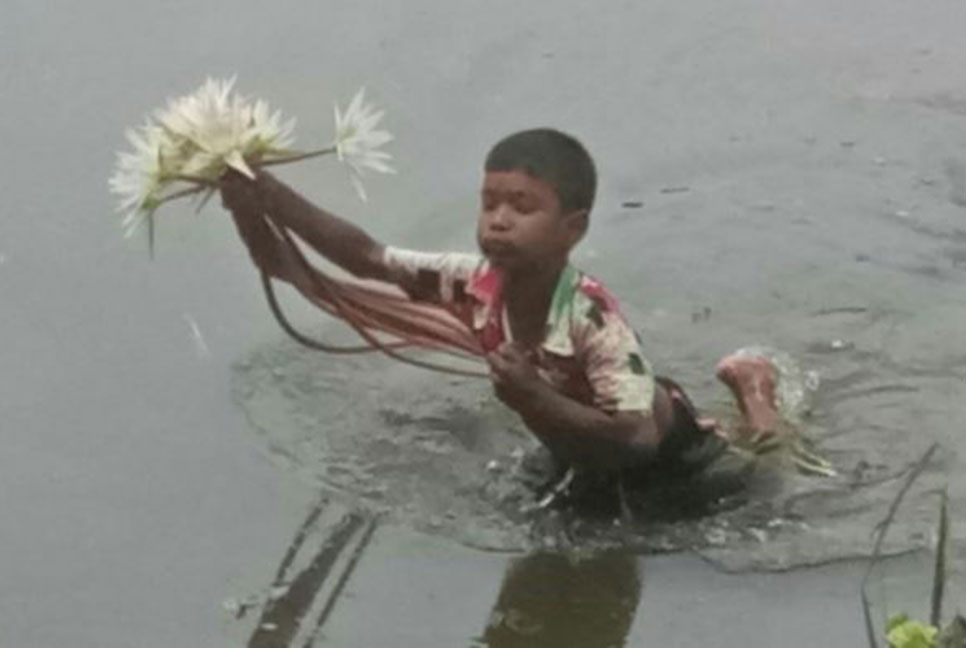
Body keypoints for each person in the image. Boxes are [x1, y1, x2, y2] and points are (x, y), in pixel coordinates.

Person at [219, 128, 781, 508]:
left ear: (574, 228)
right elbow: (364, 258)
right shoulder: (474, 282)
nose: (500, 222)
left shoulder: (592, 316)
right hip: (572, 443)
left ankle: (755, 390)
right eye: (490, 204)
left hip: (666, 455)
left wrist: (535, 398)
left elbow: (635, 440)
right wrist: (261, 196)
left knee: (763, 471)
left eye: (522, 206)